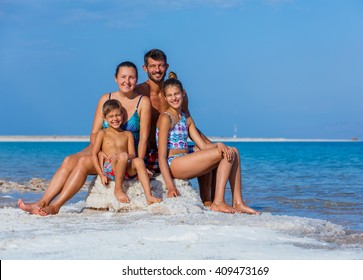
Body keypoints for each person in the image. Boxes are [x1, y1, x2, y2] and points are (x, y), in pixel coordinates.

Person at [18, 61, 152, 215]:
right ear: (115, 78)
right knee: (69, 160)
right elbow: (95, 132)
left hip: (123, 153)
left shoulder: (143, 101)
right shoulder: (106, 98)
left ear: (136, 78)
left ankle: (55, 206)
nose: (127, 81)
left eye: (131, 77)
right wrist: (99, 151)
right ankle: (41, 203)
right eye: (123, 77)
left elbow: (143, 137)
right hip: (102, 145)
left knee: (82, 162)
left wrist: (139, 162)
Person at [157, 77, 259, 214]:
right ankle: (218, 202)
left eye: (176, 94)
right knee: (223, 153)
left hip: (184, 158)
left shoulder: (185, 117)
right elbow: (161, 156)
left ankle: (238, 202)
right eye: (169, 95)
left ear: (183, 93)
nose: (174, 98)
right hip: (173, 163)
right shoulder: (165, 118)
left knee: (233, 150)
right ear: (164, 97)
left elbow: (203, 146)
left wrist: (219, 144)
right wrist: (170, 186)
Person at [135, 49, 215, 204]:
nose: (157, 70)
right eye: (153, 66)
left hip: (171, 148)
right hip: (152, 153)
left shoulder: (174, 92)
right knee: (211, 151)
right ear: (145, 68)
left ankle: (208, 201)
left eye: (161, 66)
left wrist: (210, 145)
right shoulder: (139, 93)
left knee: (211, 153)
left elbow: (187, 123)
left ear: (166, 66)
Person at [92, 99, 161, 204]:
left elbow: (132, 154)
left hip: (126, 168)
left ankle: (149, 196)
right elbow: (94, 154)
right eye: (111, 116)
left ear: (123, 115)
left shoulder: (127, 134)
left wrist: (124, 157)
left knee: (138, 161)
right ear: (104, 118)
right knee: (123, 155)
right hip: (111, 169)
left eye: (118, 115)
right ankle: (118, 189)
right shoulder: (102, 133)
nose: (115, 119)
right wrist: (101, 175)